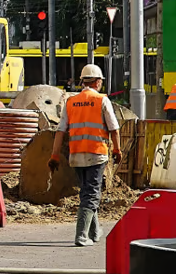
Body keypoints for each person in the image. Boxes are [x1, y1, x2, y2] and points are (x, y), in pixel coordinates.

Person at [50, 63, 123, 247]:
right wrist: (117, 149)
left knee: (87, 192)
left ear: (82, 81)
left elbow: (60, 131)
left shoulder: (71, 101)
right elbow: (114, 129)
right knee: (91, 193)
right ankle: (81, 236)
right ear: (98, 82)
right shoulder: (102, 100)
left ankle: (95, 231)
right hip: (96, 153)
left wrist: (55, 155)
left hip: (76, 155)